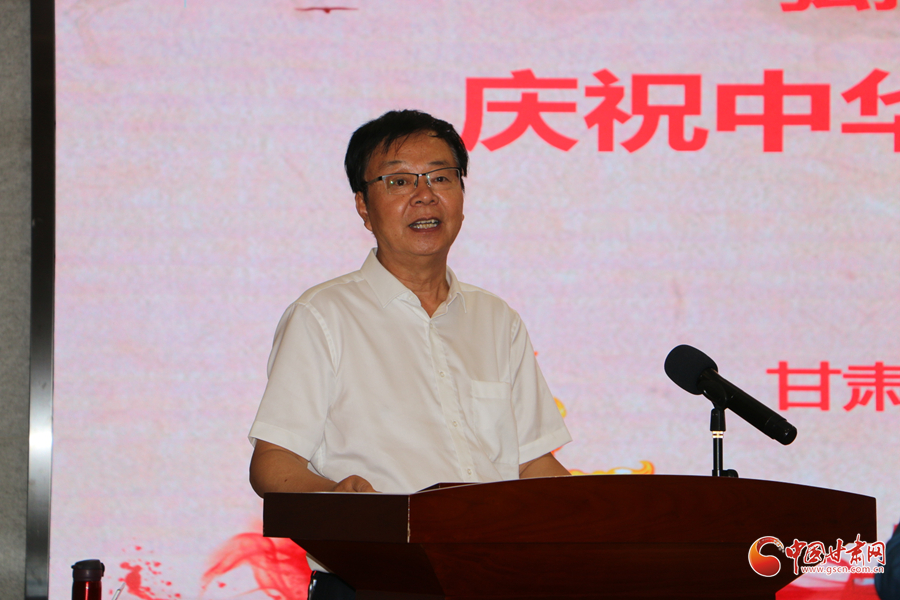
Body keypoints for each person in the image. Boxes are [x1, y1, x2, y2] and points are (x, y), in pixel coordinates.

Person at [248, 108, 570, 518]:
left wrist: (602, 516)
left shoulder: (496, 320)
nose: (424, 195)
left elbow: (532, 464)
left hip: (489, 553)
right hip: (378, 553)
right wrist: (335, 494)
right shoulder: (322, 316)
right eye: (399, 181)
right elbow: (273, 461)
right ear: (364, 207)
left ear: (462, 196)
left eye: (441, 178)